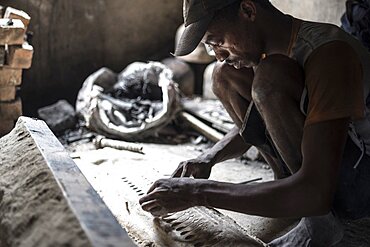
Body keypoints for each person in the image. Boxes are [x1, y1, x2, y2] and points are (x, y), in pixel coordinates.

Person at [139, 0, 370, 246]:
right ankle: (287, 185)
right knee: (224, 75)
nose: (218, 54)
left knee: (269, 77)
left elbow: (315, 191)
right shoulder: (273, 50)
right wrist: (209, 157)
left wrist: (196, 193)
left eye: (217, 42)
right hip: (332, 168)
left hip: (360, 185)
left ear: (248, 11)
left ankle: (319, 221)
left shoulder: (328, 53)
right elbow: (259, 122)